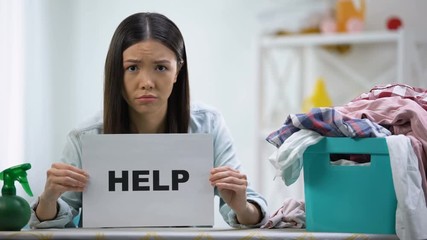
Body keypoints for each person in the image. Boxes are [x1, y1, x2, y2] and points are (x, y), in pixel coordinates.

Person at [29, 12, 268, 228]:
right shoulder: (86, 136)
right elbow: (58, 217)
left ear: (178, 71)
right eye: (132, 68)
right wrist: (48, 198)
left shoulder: (209, 125)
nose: (147, 82)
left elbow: (250, 211)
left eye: (161, 68)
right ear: (116, 71)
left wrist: (241, 207)